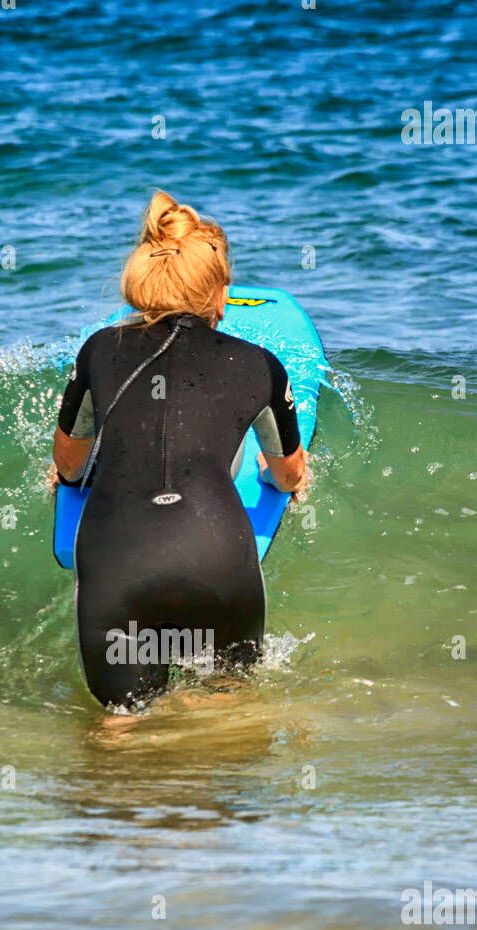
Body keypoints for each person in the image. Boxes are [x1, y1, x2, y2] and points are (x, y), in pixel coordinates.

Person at [53, 190, 311, 709]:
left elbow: (69, 465)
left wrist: (71, 477)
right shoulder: (259, 364)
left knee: (119, 731)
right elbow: (288, 475)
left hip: (118, 559)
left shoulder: (98, 350)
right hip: (216, 558)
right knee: (224, 718)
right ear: (221, 295)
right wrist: (278, 476)